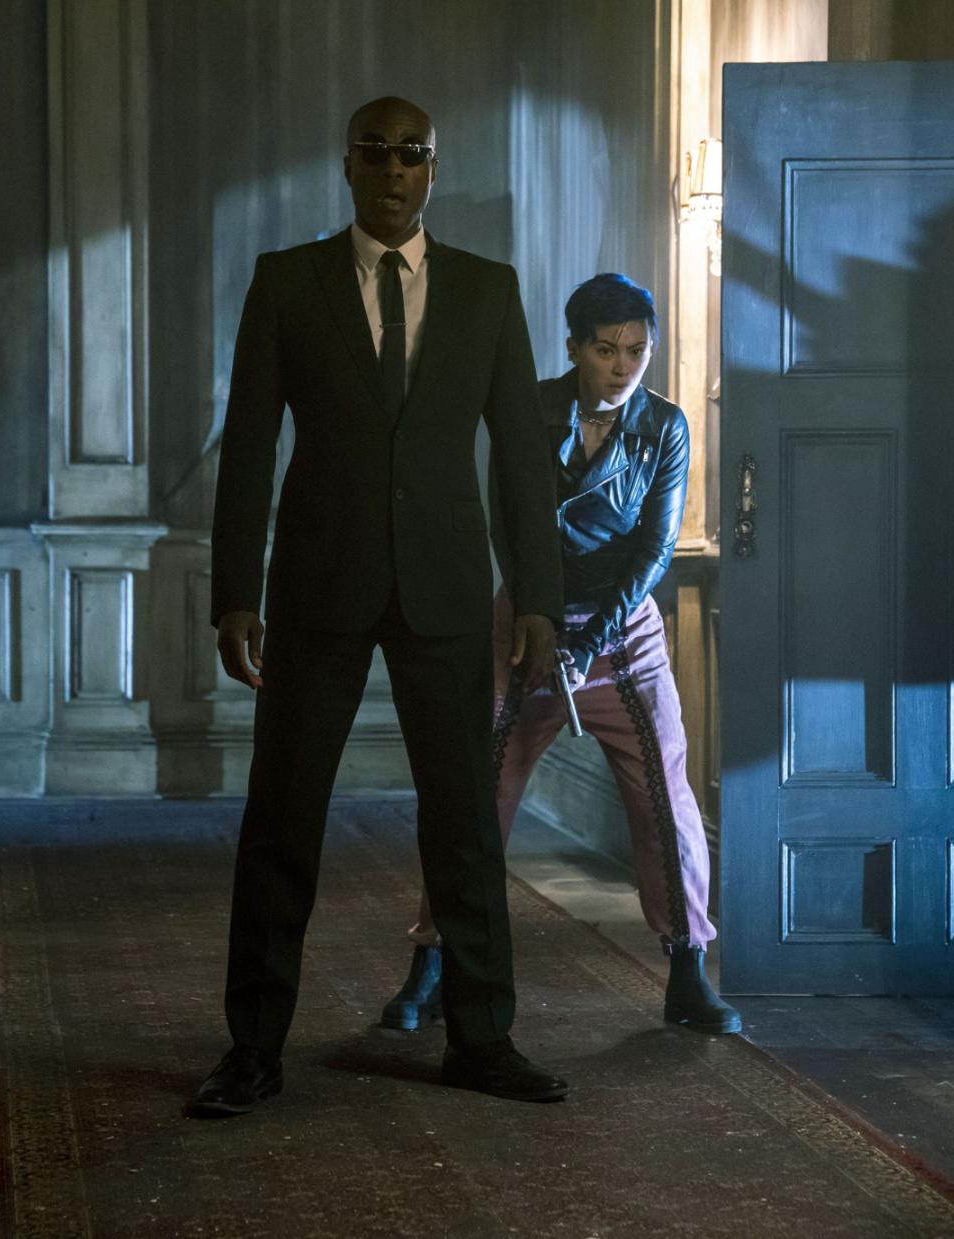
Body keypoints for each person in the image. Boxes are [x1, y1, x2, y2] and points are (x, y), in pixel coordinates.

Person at [190, 97, 570, 1117]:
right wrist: (234, 594)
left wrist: (537, 596)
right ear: (348, 165)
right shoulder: (287, 282)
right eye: (376, 152)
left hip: (444, 587)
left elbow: (521, 460)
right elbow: (248, 445)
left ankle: (481, 1038)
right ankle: (251, 1048)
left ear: (432, 170)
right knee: (282, 818)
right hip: (317, 583)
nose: (394, 169)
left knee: (464, 823)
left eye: (412, 154)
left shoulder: (486, 289)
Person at [378, 274, 742, 1038]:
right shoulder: (528, 406)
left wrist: (591, 638)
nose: (622, 366)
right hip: (524, 622)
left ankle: (686, 970)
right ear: (573, 347)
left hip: (622, 630)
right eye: (605, 350)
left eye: (636, 350)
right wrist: (537, 618)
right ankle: (432, 961)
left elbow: (653, 549)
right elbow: (506, 523)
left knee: (665, 799)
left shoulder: (663, 426)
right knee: (474, 791)